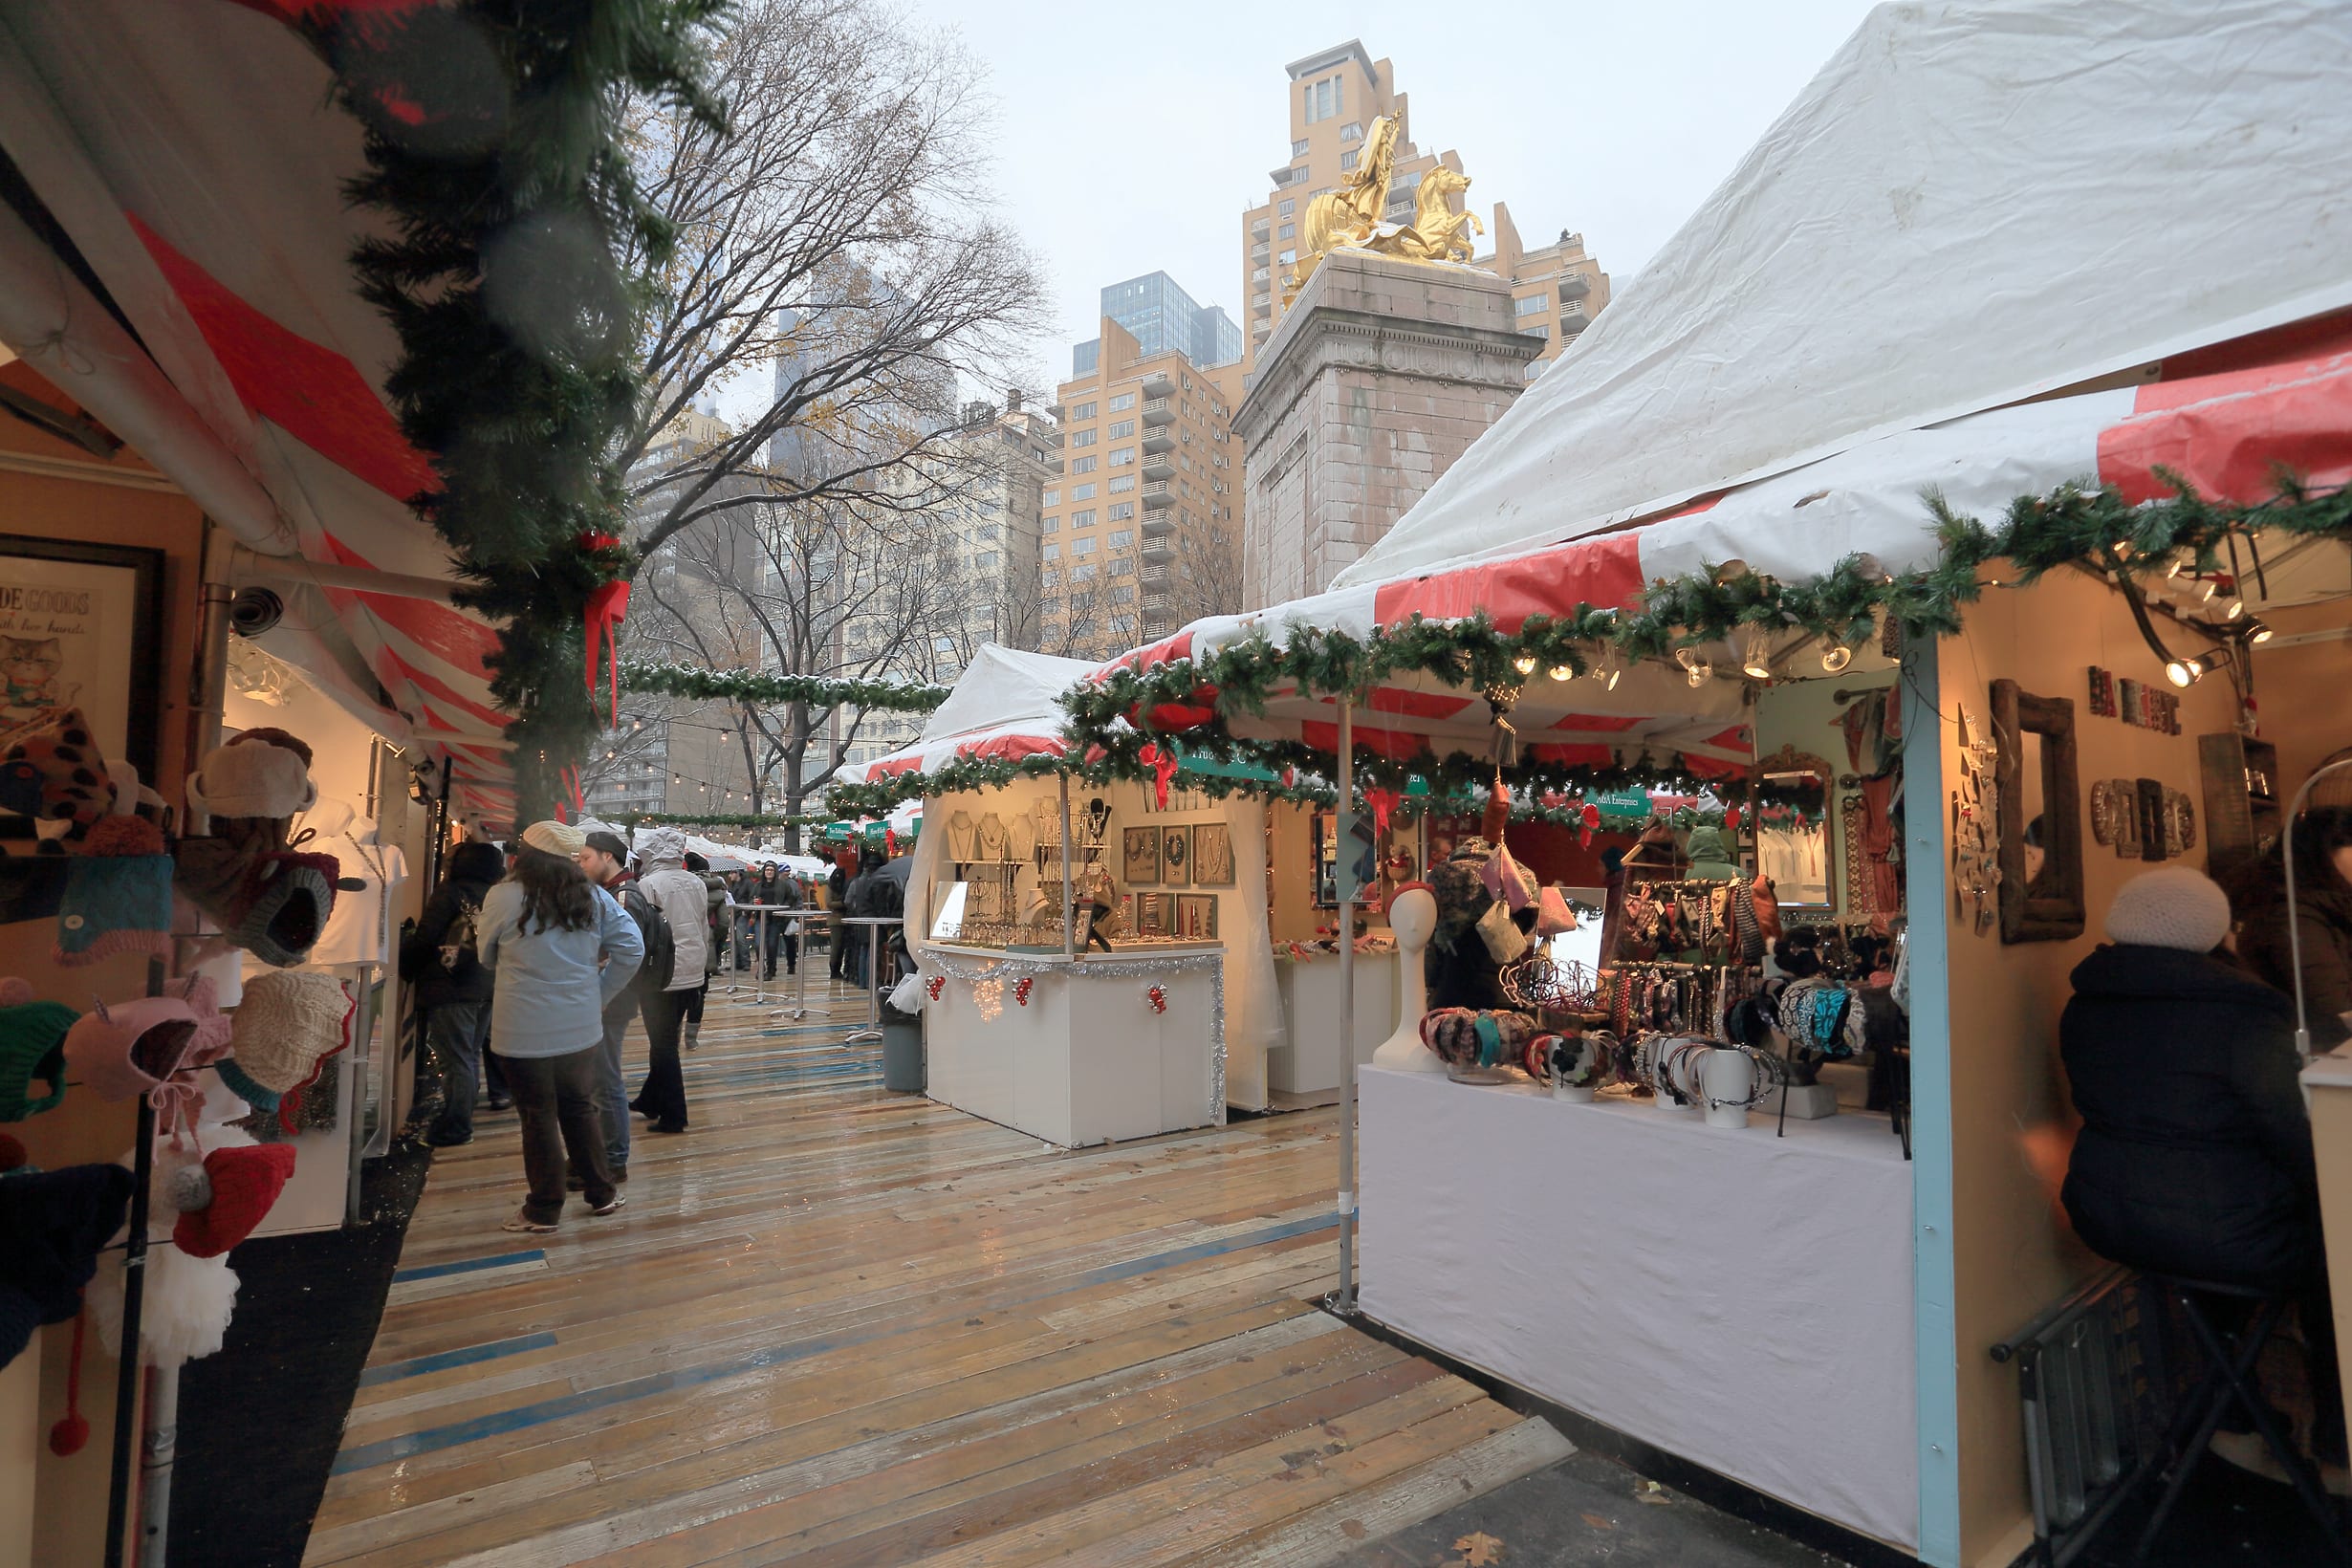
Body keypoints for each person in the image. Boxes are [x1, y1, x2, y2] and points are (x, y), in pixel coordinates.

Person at [2058, 866, 2345, 1487]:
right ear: (2217, 931)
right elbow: (2297, 1138)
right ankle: (2337, 1448)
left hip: (2106, 1219)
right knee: (2337, 1246)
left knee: (2218, 1226)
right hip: (2221, 1236)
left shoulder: (2085, 1002)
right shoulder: (2245, 1012)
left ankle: (2236, 1419)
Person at [476, 820, 642, 1232]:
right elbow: (631, 948)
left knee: (537, 1117)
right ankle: (601, 1193)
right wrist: (598, 996)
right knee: (579, 1107)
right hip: (580, 1025)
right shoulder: (593, 896)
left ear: (524, 855)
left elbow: (485, 955)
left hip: (522, 1025)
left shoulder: (504, 895)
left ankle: (544, 1208)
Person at [576, 831, 671, 1184]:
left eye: (586, 858)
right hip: (616, 996)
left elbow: (626, 950)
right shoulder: (620, 893)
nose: (582, 865)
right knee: (601, 1078)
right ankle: (605, 1154)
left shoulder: (622, 896)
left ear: (608, 857)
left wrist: (599, 985)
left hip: (613, 998)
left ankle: (613, 1158)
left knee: (605, 1079)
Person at [400, 838, 505, 1146]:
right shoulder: (495, 895)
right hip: (486, 983)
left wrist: (405, 966)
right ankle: (460, 1118)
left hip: (451, 985)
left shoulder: (450, 892)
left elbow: (426, 937)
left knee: (456, 1060)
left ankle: (456, 1126)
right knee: (468, 1056)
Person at [2232, 805, 2352, 1050]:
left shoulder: (2332, 904)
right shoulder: (2293, 916)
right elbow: (2335, 1011)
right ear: (2323, 854)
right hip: (2311, 1059)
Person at [630, 828, 711, 1131]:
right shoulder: (696, 883)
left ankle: (675, 1115)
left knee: (662, 1044)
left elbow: (644, 934)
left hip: (661, 973)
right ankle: (650, 1100)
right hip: (692, 969)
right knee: (666, 1039)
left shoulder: (648, 884)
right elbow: (702, 927)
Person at [685, 851, 731, 1046]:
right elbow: (723, 923)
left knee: (676, 991)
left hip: (681, 942)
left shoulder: (681, 886)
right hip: (706, 942)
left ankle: (670, 1034)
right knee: (700, 990)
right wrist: (716, 942)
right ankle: (691, 1037)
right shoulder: (718, 890)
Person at [825, 849, 852, 981]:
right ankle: (834, 970)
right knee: (837, 947)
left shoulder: (832, 887)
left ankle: (836, 969)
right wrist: (843, 903)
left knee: (839, 947)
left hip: (839, 920)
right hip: (837, 920)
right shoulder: (836, 887)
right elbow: (829, 903)